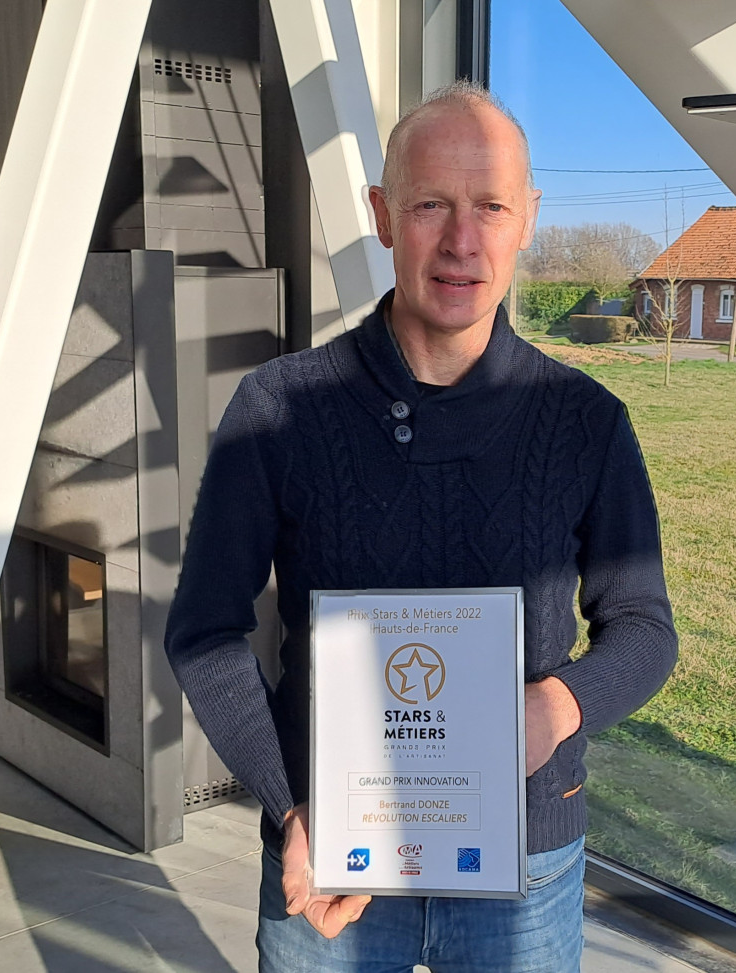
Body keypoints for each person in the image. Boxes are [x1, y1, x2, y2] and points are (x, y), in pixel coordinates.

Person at [164, 81, 678, 972]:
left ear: (528, 220)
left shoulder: (585, 421)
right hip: (332, 853)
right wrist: (293, 804)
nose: (462, 240)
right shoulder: (279, 410)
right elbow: (203, 628)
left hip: (528, 860)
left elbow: (645, 628)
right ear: (383, 215)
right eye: (432, 203)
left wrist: (553, 708)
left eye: (491, 206)